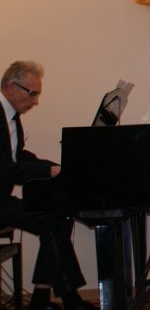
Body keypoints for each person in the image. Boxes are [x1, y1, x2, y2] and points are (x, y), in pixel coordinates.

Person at [0, 61, 97, 310]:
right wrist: (49, 171)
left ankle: (42, 298)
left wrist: (57, 167)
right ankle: (70, 299)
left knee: (59, 215)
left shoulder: (11, 117)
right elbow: (5, 169)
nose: (35, 101)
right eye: (32, 93)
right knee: (53, 220)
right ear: (10, 88)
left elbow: (18, 157)